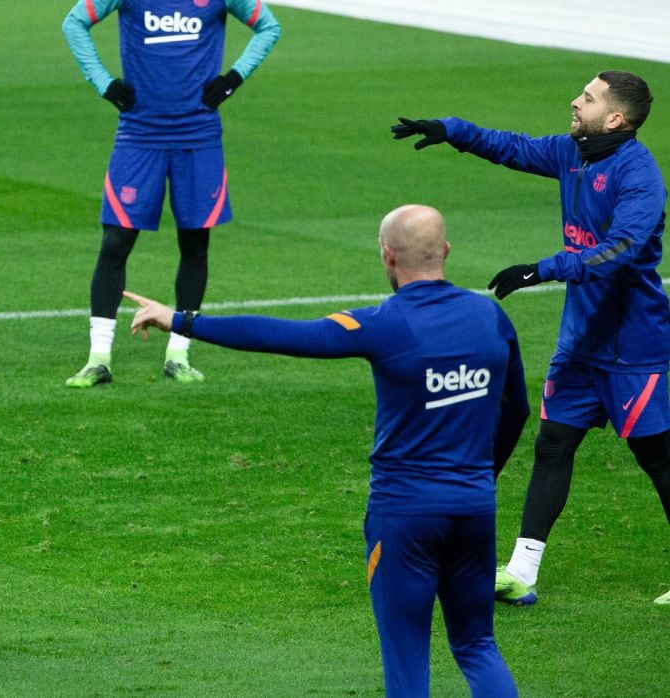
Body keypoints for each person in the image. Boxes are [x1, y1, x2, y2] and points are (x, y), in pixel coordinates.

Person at [126, 205, 529, 696]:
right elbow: (518, 409)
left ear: (387, 255)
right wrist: (484, 475)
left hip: (404, 518)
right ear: (445, 251)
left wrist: (181, 320)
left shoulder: (386, 323)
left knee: (407, 659)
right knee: (477, 645)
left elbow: (288, 335)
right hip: (474, 510)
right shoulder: (490, 315)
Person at [393, 71, 670, 606]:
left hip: (634, 345)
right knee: (552, 445)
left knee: (657, 457)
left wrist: (540, 270)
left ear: (615, 117)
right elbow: (512, 147)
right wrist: (450, 129)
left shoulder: (639, 176)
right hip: (582, 339)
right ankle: (522, 573)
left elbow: (622, 249)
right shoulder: (574, 153)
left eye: (587, 98)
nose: (575, 100)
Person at [61, 0, 281, 387]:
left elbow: (269, 27)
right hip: (138, 135)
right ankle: (98, 358)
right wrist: (103, 81)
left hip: (199, 137)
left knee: (195, 243)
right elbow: (74, 22)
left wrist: (234, 77)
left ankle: (179, 353)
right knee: (116, 241)